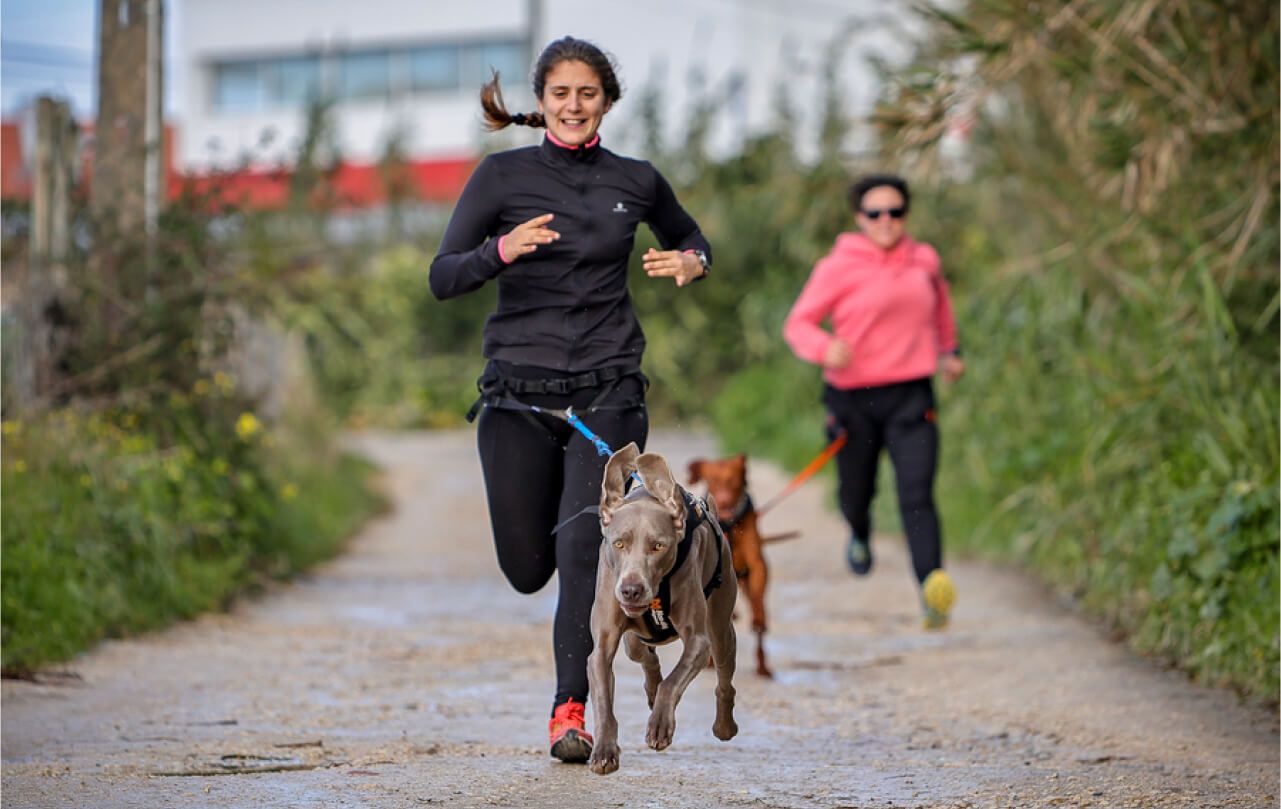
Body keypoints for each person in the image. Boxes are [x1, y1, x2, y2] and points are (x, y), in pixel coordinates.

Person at [428, 36, 712, 763]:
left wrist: (691, 261)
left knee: (585, 553)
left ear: (606, 102)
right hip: (517, 399)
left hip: (608, 392)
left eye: (588, 93)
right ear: (544, 100)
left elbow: (692, 237)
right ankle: (564, 607)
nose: (574, 105)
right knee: (529, 566)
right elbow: (442, 277)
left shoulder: (636, 179)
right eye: (561, 92)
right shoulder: (501, 178)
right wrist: (500, 252)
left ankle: (569, 710)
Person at [782, 174, 963, 630]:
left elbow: (941, 311)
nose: (887, 220)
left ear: (906, 214)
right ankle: (859, 531)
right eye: (876, 213)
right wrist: (825, 349)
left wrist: (950, 352)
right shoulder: (837, 266)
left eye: (896, 211)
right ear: (859, 217)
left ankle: (931, 590)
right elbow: (798, 324)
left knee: (917, 494)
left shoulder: (925, 260)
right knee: (855, 493)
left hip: (912, 394)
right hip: (852, 399)